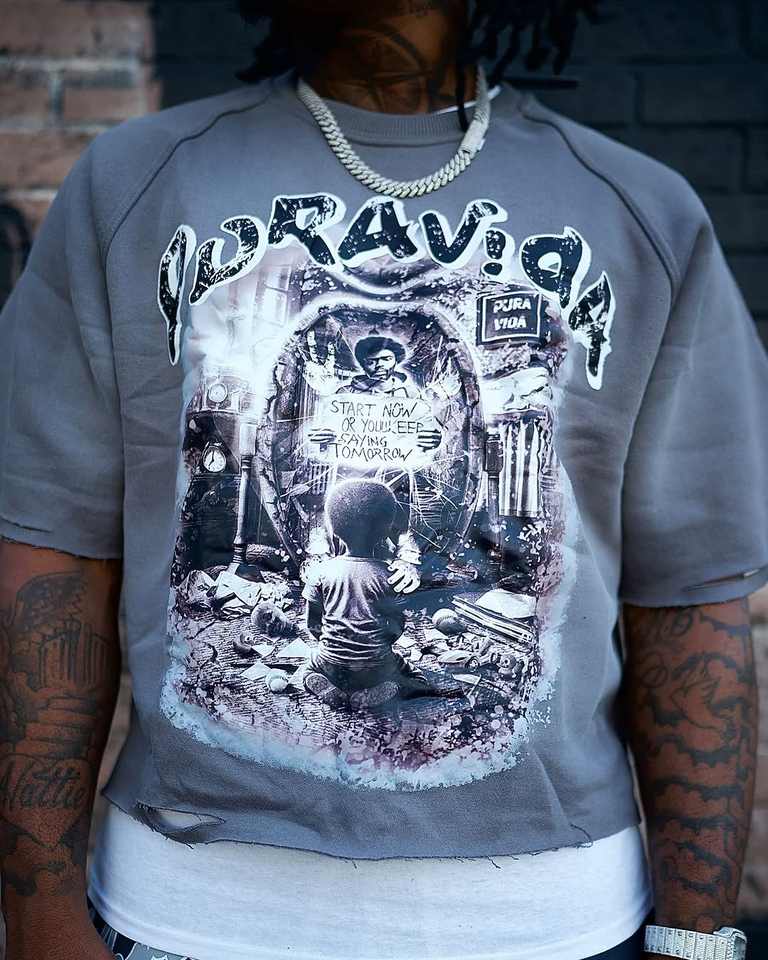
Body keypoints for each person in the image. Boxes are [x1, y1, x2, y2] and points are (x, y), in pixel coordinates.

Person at [0, 4, 766, 960]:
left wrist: (696, 941)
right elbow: (53, 561)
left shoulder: (642, 213)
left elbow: (690, 606)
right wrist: (39, 918)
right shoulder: (135, 182)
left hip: (556, 924)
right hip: (183, 918)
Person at [297, 478, 442, 707]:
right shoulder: (390, 576)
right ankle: (391, 688)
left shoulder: (321, 572)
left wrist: (337, 646)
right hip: (376, 667)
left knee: (308, 668)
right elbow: (396, 628)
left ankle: (324, 685)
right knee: (417, 677)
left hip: (331, 662)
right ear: (386, 529)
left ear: (333, 528)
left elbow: (312, 624)